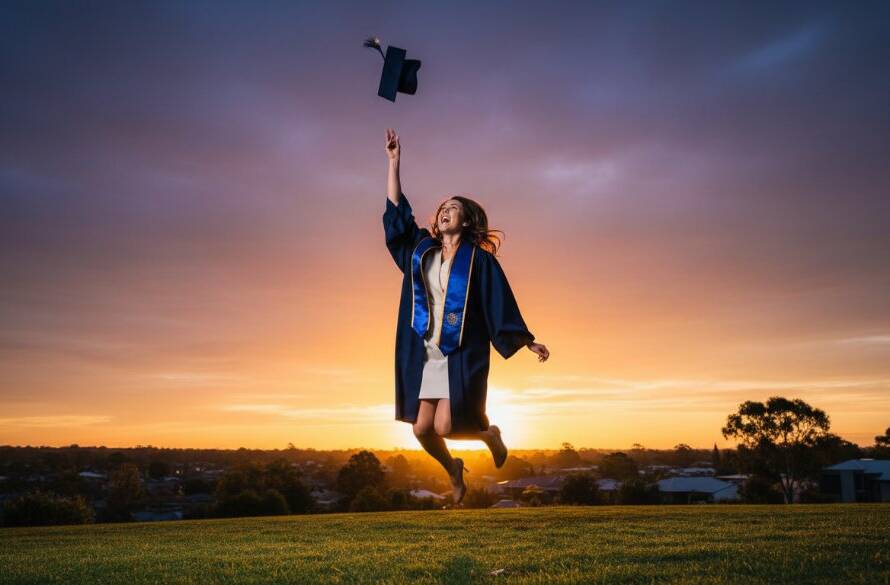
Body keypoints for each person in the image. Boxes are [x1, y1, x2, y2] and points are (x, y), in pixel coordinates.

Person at [381, 128, 550, 505]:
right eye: (442, 209)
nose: (444, 212)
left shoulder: (480, 262)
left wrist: (524, 340)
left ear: (468, 220)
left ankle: (488, 435)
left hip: (459, 349)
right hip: (424, 350)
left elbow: (498, 301)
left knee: (445, 423)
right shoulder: (421, 250)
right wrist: (394, 163)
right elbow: (396, 220)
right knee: (422, 429)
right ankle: (454, 469)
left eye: (452, 209)